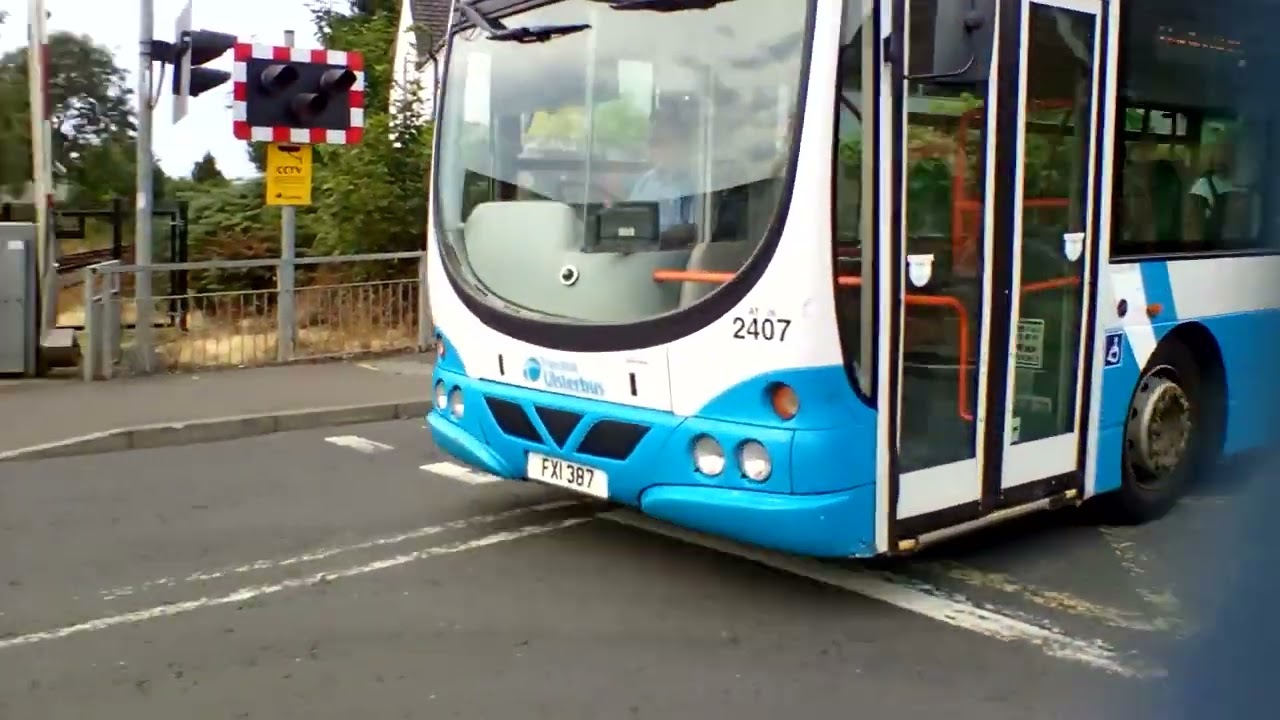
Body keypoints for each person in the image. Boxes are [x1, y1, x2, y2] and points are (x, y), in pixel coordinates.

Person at [628, 107, 700, 245]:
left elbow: (695, 233)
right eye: (651, 142)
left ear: (682, 144)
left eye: (660, 141)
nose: (653, 148)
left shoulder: (698, 185)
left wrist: (663, 238)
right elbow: (628, 223)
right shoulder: (645, 182)